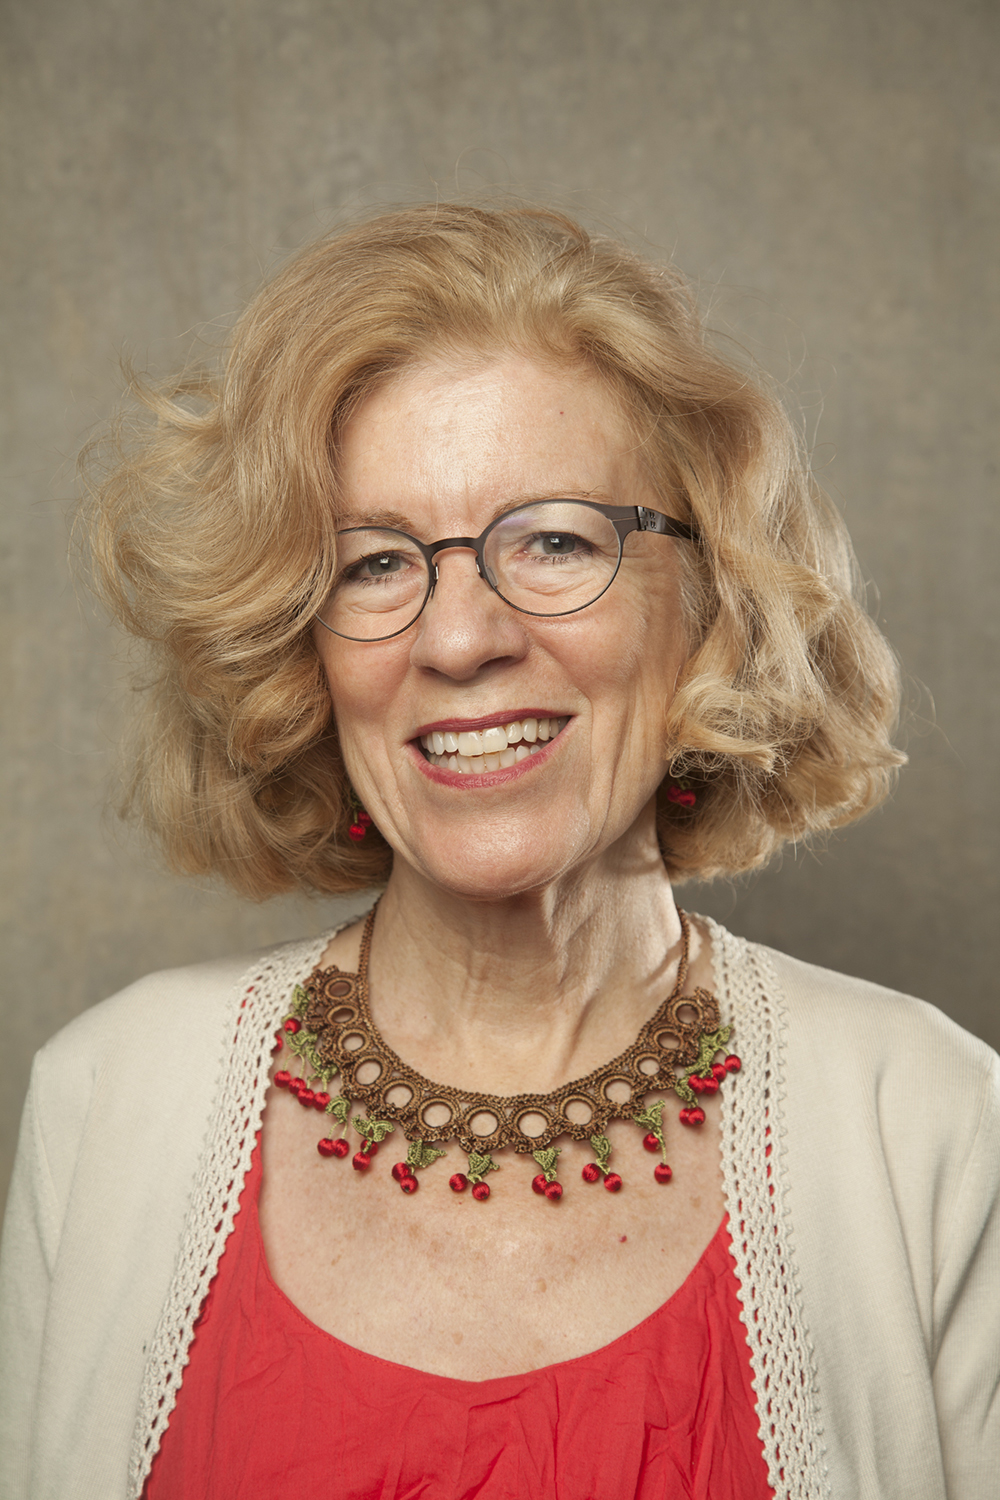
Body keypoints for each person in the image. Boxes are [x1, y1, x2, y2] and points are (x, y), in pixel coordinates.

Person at [1, 203, 996, 1500]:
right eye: (374, 564)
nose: (459, 637)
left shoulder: (935, 1124)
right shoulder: (106, 1101)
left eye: (556, 542)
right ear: (301, 647)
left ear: (710, 602)